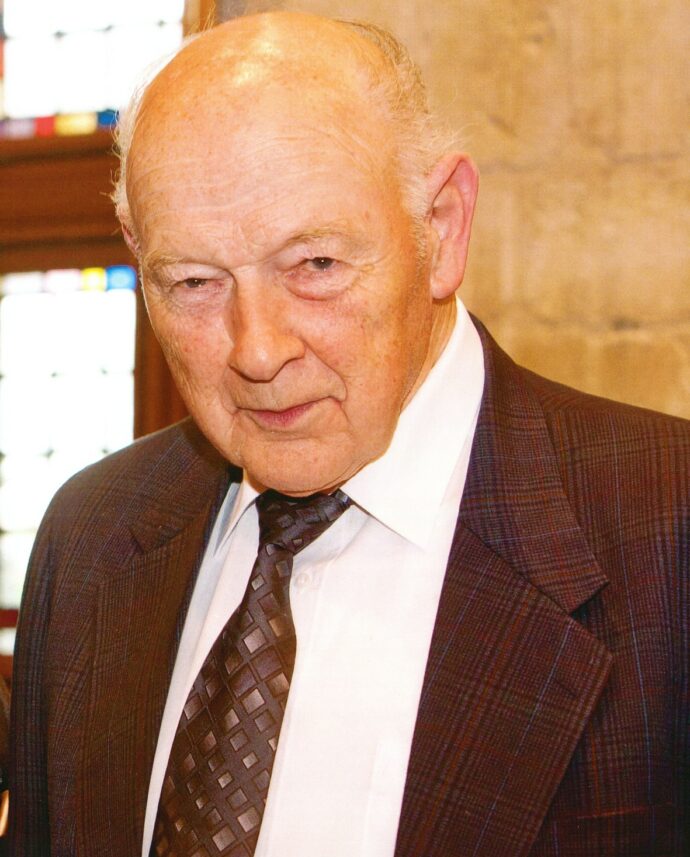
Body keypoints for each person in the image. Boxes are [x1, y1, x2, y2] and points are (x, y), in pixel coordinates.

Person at [9, 11, 689, 857]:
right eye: (192, 281)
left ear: (442, 227)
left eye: (316, 265)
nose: (258, 350)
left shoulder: (666, 529)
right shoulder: (91, 536)